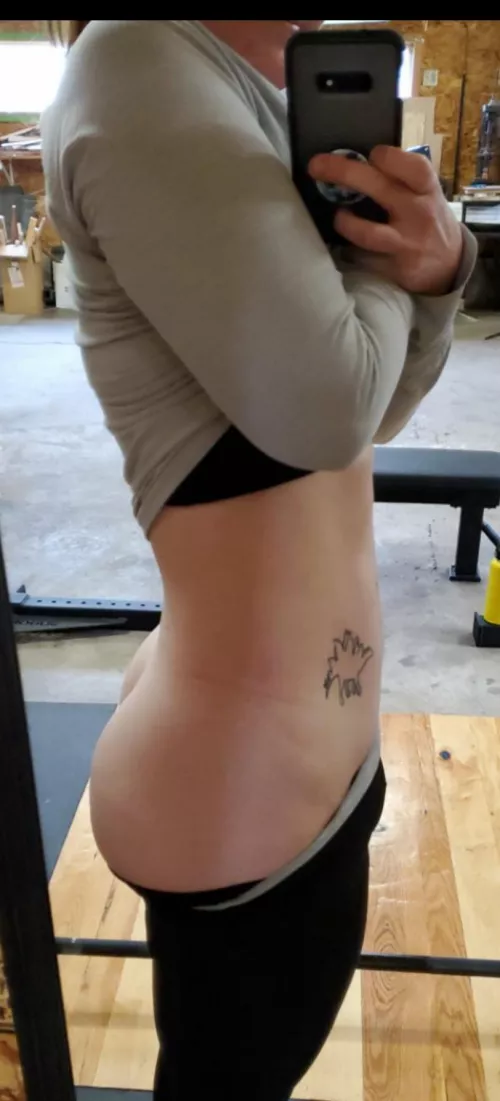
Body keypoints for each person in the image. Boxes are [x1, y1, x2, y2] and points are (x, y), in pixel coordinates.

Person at [43, 19, 476, 1099]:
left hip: (286, 765)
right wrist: (392, 264)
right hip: (235, 782)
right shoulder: (140, 63)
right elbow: (331, 407)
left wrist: (431, 272)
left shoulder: (251, 88)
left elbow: (367, 412)